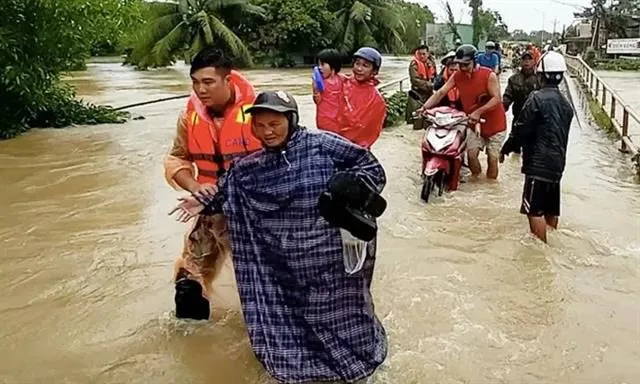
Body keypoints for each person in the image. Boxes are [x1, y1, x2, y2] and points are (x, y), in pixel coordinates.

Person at [170, 90, 388, 384]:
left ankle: (357, 368)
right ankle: (303, 368)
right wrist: (203, 201)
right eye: (259, 125)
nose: (266, 132)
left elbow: (370, 167)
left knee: (339, 315)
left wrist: (350, 189)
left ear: (292, 120)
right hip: (282, 261)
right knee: (290, 316)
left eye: (274, 124)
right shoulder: (251, 166)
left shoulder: (323, 145)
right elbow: (228, 191)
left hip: (329, 259)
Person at [163, 48, 262, 320]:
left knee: (263, 283)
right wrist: (194, 186)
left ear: (228, 80)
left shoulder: (260, 114)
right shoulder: (189, 117)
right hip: (208, 211)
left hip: (252, 214)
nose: (200, 89)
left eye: (208, 82)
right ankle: (193, 349)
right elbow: (176, 158)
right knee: (188, 285)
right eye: (195, 82)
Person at [500, 51, 573, 243]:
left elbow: (521, 129)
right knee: (550, 209)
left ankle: (542, 251)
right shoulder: (566, 104)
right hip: (557, 165)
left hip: (538, 166)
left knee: (534, 211)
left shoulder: (536, 98)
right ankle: (552, 243)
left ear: (540, 75)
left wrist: (506, 148)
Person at [420, 44, 507, 180]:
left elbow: (497, 99)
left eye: (466, 65)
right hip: (473, 123)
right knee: (471, 156)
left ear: (475, 61)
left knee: (492, 158)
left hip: (495, 125)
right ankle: (476, 182)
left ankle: (491, 186)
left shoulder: (489, 75)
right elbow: (441, 92)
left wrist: (478, 112)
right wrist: (424, 108)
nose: (462, 68)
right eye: (460, 64)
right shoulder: (457, 76)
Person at [338, 47, 386, 148]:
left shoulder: (376, 100)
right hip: (333, 142)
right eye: (357, 63)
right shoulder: (341, 83)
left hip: (356, 150)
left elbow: (370, 132)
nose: (359, 69)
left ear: (374, 71)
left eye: (365, 66)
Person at [503, 51, 541, 126]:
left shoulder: (540, 80)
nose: (527, 61)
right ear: (521, 62)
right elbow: (507, 97)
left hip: (535, 122)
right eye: (524, 59)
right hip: (518, 119)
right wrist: (501, 108)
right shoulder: (513, 79)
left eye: (529, 59)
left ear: (534, 62)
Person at [313, 48, 345, 133]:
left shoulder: (343, 79)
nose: (319, 68)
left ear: (333, 65)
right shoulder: (320, 83)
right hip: (324, 125)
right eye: (318, 64)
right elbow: (317, 101)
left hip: (340, 124)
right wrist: (315, 90)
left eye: (322, 64)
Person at [406, 44, 435, 128]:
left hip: (429, 93)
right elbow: (415, 80)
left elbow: (435, 76)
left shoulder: (431, 63)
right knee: (416, 119)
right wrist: (430, 85)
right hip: (417, 94)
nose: (422, 56)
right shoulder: (414, 64)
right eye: (420, 54)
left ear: (428, 54)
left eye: (424, 54)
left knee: (428, 119)